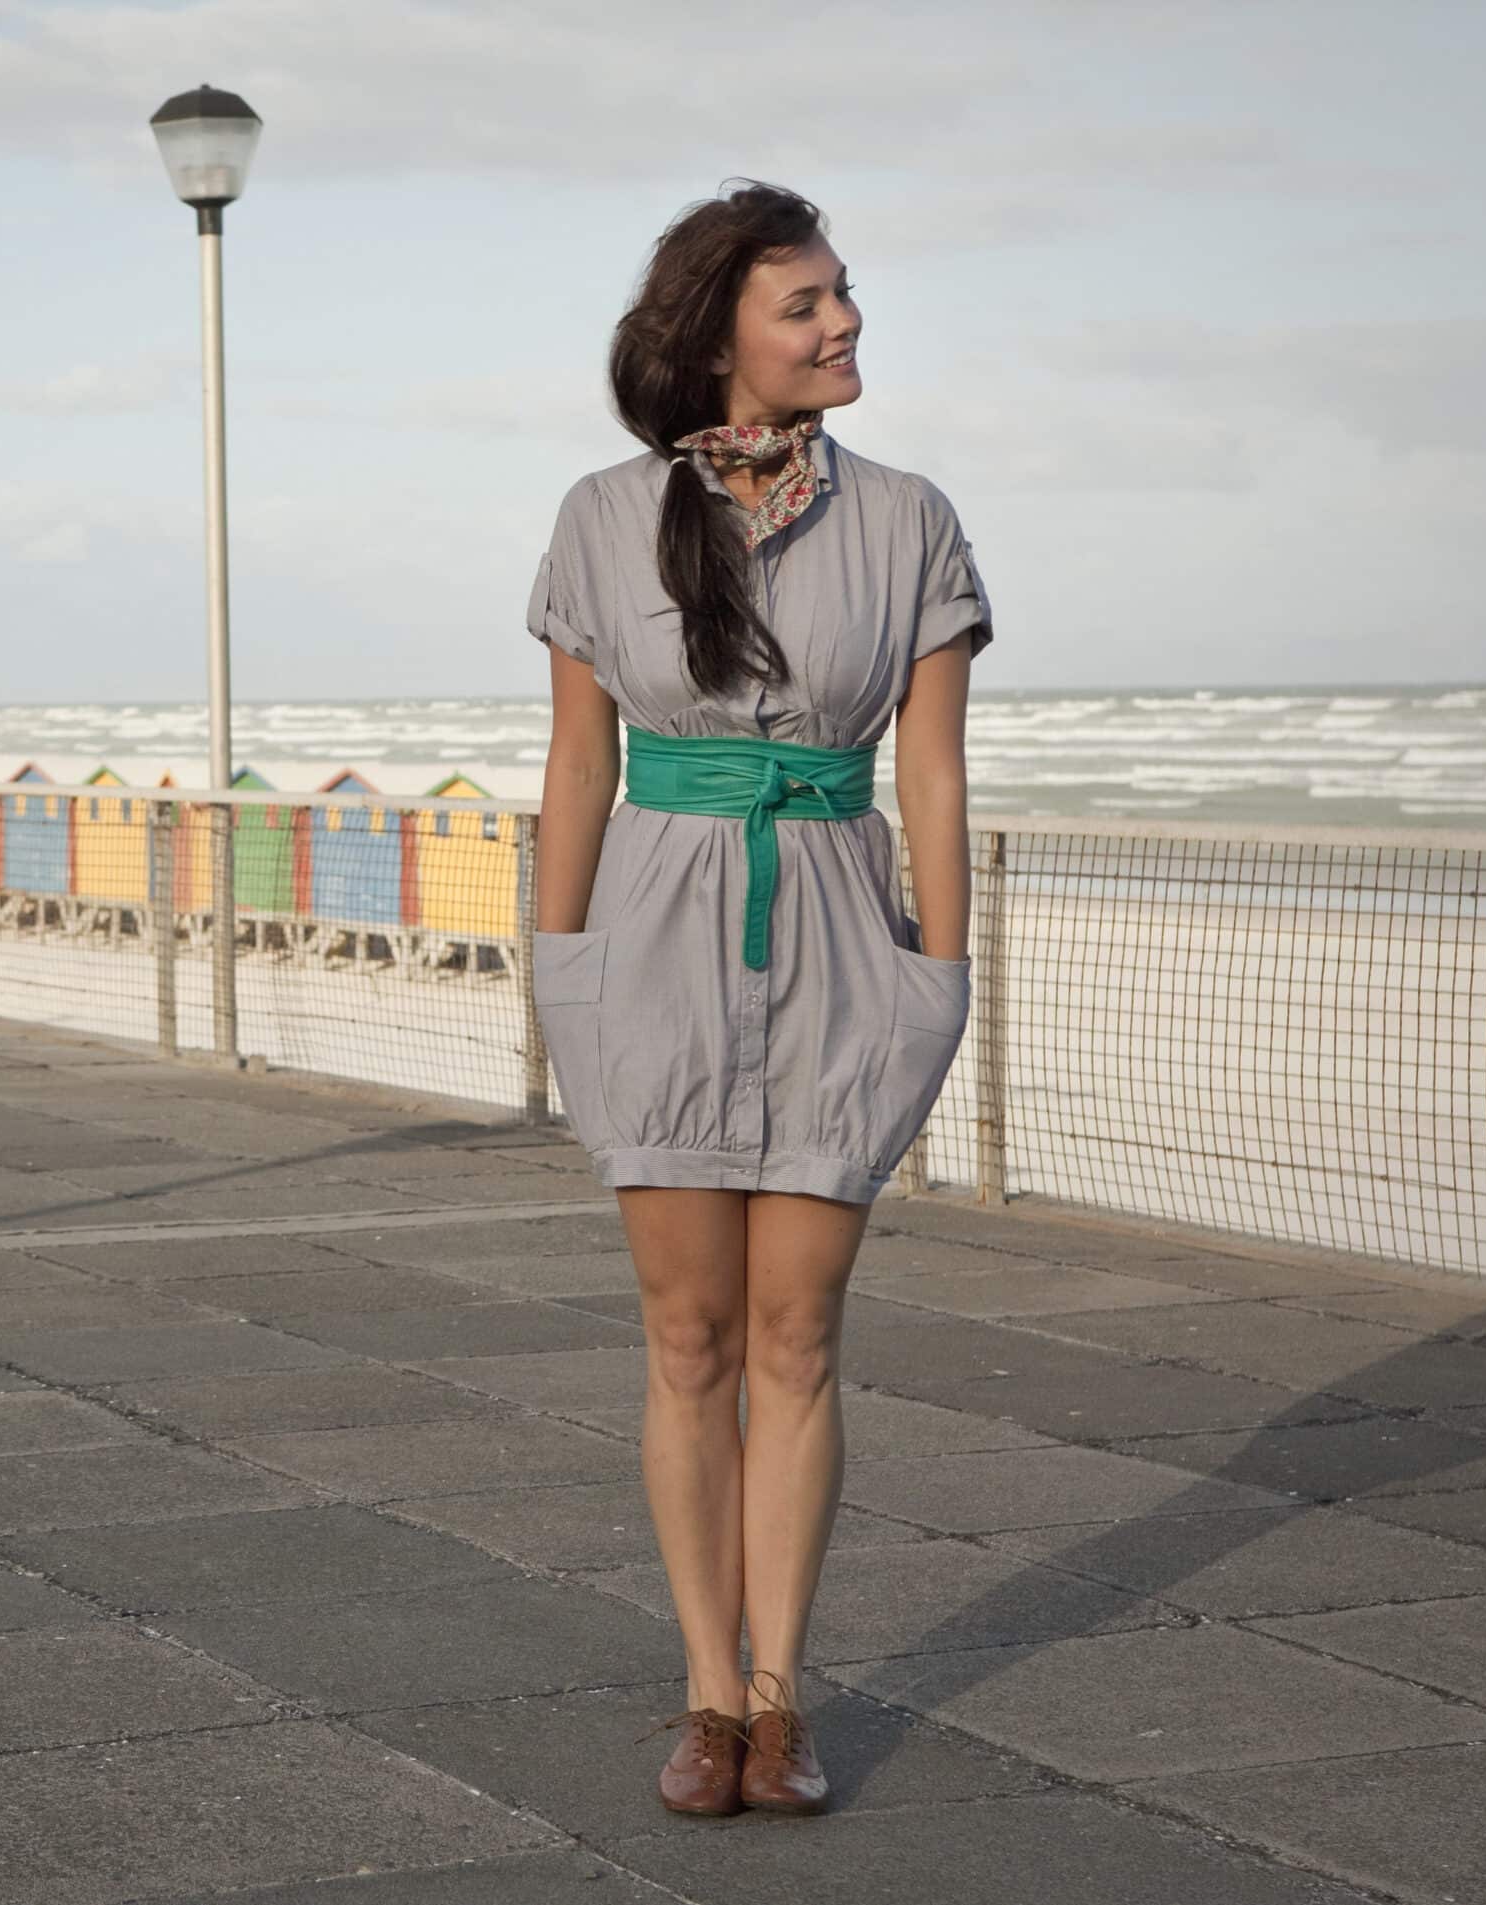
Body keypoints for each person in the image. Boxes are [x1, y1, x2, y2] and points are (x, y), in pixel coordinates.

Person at [525, 180, 991, 1819]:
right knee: (686, 1334)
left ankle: (782, 1700)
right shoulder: (600, 516)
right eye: (805, 303)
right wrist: (557, 964)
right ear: (717, 326)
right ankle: (706, 1696)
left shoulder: (914, 517)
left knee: (798, 1331)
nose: (844, 320)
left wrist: (938, 966)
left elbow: (929, 762)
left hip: (847, 941)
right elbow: (581, 760)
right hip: (650, 939)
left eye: (845, 293)